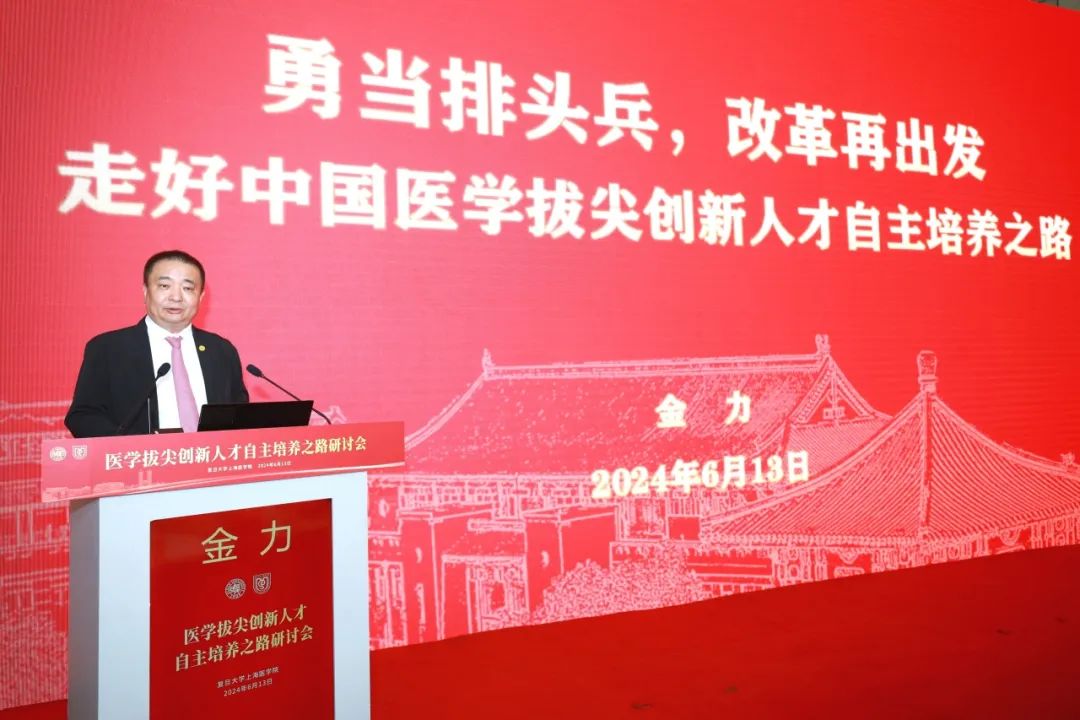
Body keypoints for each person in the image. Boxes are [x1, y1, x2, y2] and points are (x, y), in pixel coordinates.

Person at [65, 250, 248, 437]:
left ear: (200, 297)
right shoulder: (108, 349)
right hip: (140, 456)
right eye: (164, 286)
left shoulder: (221, 351)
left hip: (209, 455)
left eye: (187, 288)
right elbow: (83, 416)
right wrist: (133, 446)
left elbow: (240, 417)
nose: (176, 297)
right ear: (146, 291)